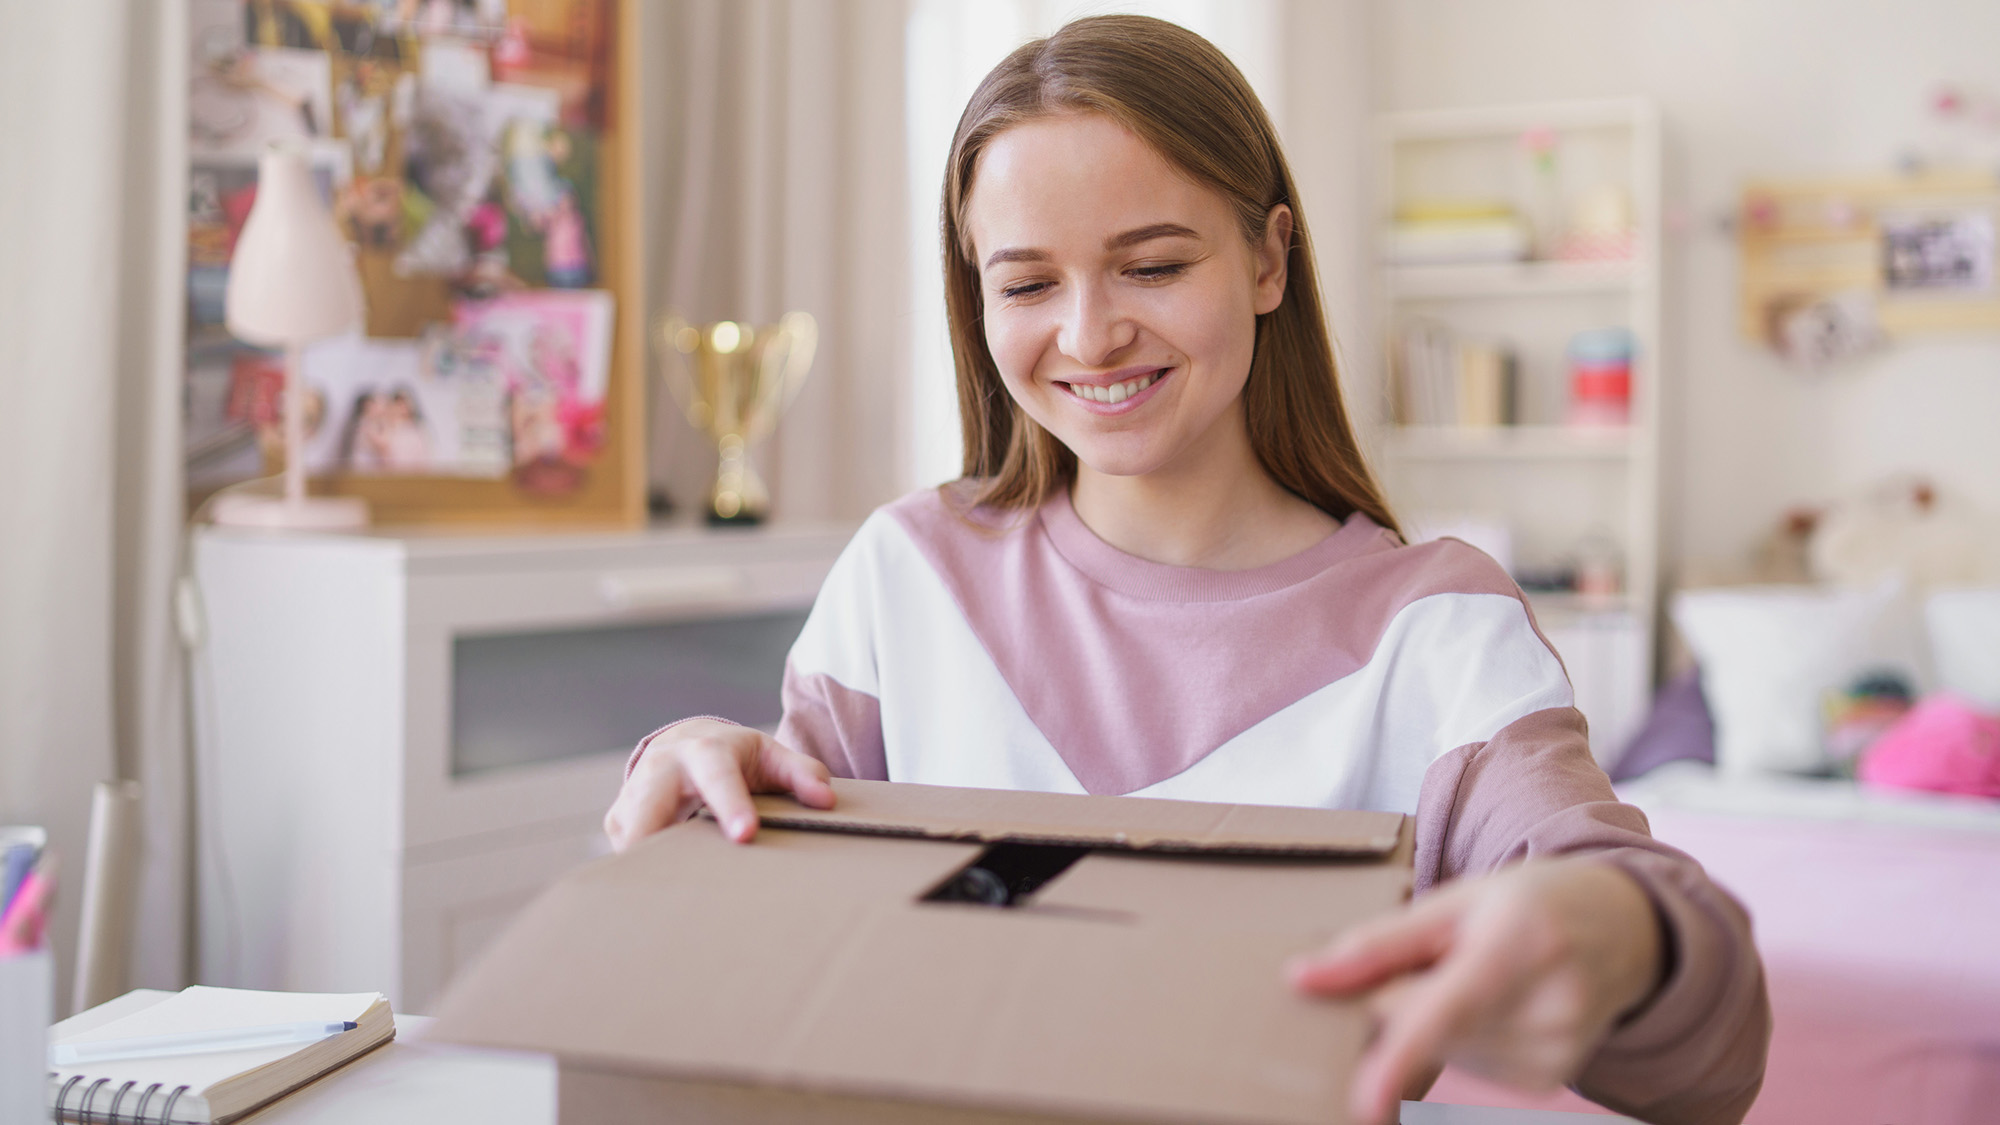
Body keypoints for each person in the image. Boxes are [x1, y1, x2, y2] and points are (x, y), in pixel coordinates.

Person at [603, 16, 1769, 1125]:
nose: (1089, 334)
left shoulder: (1435, 626)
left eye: (1151, 266)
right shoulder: (905, 570)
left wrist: (1614, 934)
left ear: (1267, 259)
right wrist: (700, 773)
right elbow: (784, 919)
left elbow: (1701, 1044)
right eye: (1023, 285)